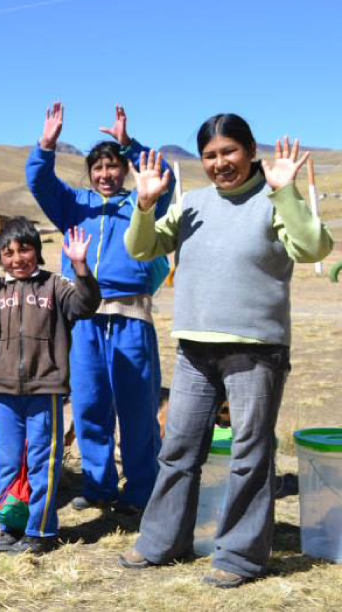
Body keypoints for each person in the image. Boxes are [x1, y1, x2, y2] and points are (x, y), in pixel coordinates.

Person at [119, 116, 333, 588]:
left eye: (229, 152)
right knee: (177, 449)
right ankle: (161, 541)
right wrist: (145, 204)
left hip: (256, 349)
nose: (220, 163)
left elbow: (313, 246)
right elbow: (141, 248)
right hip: (195, 346)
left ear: (250, 150)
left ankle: (240, 556)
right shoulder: (192, 203)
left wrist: (286, 192)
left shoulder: (273, 198)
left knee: (249, 454)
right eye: (211, 156)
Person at [27, 103, 174, 514]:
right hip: (84, 318)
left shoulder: (144, 203)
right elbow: (39, 182)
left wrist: (129, 144)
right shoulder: (75, 205)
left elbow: (167, 178)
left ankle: (143, 488)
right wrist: (46, 144)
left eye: (113, 166)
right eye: (99, 168)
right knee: (90, 403)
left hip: (131, 318)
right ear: (90, 173)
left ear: (124, 170)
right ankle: (97, 485)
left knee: (138, 407)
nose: (106, 174)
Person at [0, 218, 101, 554]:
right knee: (7, 462)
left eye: (24, 249)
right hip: (5, 392)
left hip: (45, 390)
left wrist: (80, 267)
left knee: (41, 462)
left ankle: (41, 529)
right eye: (8, 252)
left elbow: (86, 305)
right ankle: (12, 525)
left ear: (36, 250)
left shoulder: (54, 286)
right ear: (0, 257)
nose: (17, 258)